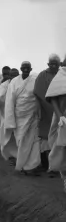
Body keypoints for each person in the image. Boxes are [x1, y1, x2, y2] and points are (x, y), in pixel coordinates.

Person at [4, 61, 41, 175]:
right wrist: (10, 121)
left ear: (30, 69)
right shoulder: (14, 82)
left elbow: (38, 98)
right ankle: (23, 165)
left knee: (34, 142)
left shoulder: (35, 80)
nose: (25, 69)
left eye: (27, 68)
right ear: (21, 68)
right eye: (24, 67)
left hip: (32, 116)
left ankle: (32, 166)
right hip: (19, 117)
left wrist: (39, 114)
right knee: (22, 142)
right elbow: (9, 102)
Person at [33, 54, 61, 174]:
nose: (53, 66)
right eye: (51, 64)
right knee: (45, 140)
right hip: (45, 113)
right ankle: (47, 166)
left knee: (59, 140)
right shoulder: (42, 75)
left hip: (60, 112)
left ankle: (58, 166)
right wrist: (39, 110)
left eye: (56, 64)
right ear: (48, 64)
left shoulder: (62, 75)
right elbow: (38, 95)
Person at [45, 56, 66, 192]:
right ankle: (65, 179)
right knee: (62, 150)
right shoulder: (60, 76)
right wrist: (61, 117)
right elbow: (53, 98)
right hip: (62, 119)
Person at [0, 67, 18, 165]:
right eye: (12, 75)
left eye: (16, 75)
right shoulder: (3, 86)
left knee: (17, 138)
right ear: (9, 76)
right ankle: (10, 156)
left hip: (19, 115)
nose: (15, 77)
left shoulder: (19, 84)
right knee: (8, 137)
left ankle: (19, 157)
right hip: (5, 116)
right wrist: (7, 114)